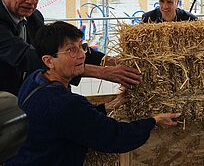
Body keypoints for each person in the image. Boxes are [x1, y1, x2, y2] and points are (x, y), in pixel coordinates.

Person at [6, 21, 180, 165]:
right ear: (49, 61)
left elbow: (73, 121)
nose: (82, 55)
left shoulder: (35, 79)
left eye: (81, 47)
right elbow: (114, 136)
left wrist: (109, 106)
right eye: (71, 50)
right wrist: (153, 121)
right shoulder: (63, 102)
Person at [0, 0, 142, 95]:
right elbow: (28, 58)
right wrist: (101, 72)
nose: (31, 1)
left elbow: (57, 47)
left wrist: (115, 62)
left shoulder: (34, 17)